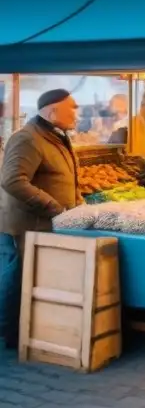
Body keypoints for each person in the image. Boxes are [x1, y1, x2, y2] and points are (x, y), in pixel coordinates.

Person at [0, 90, 83, 348]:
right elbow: (12, 180)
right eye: (72, 108)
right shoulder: (27, 138)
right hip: (24, 226)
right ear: (52, 112)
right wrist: (53, 206)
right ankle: (9, 334)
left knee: (33, 277)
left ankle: (27, 330)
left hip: (46, 224)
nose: (76, 114)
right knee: (17, 277)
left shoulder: (54, 136)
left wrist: (77, 200)